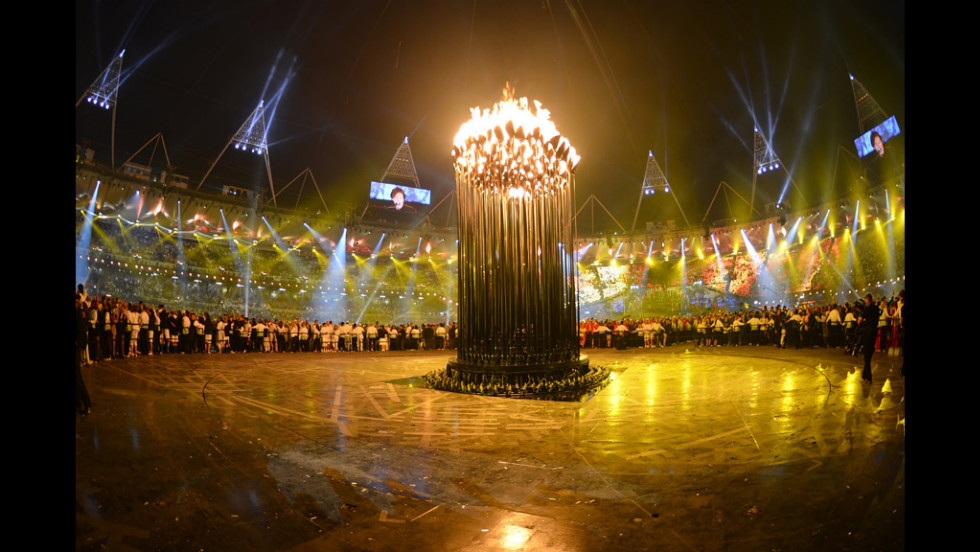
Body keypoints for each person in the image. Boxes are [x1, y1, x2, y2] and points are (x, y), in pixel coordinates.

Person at [858, 293, 881, 384]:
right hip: (874, 332)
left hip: (867, 333)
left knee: (866, 356)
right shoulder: (876, 308)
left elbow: (860, 320)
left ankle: (868, 377)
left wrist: (860, 320)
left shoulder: (867, 309)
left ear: (868, 300)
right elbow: (879, 313)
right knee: (869, 353)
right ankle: (864, 374)